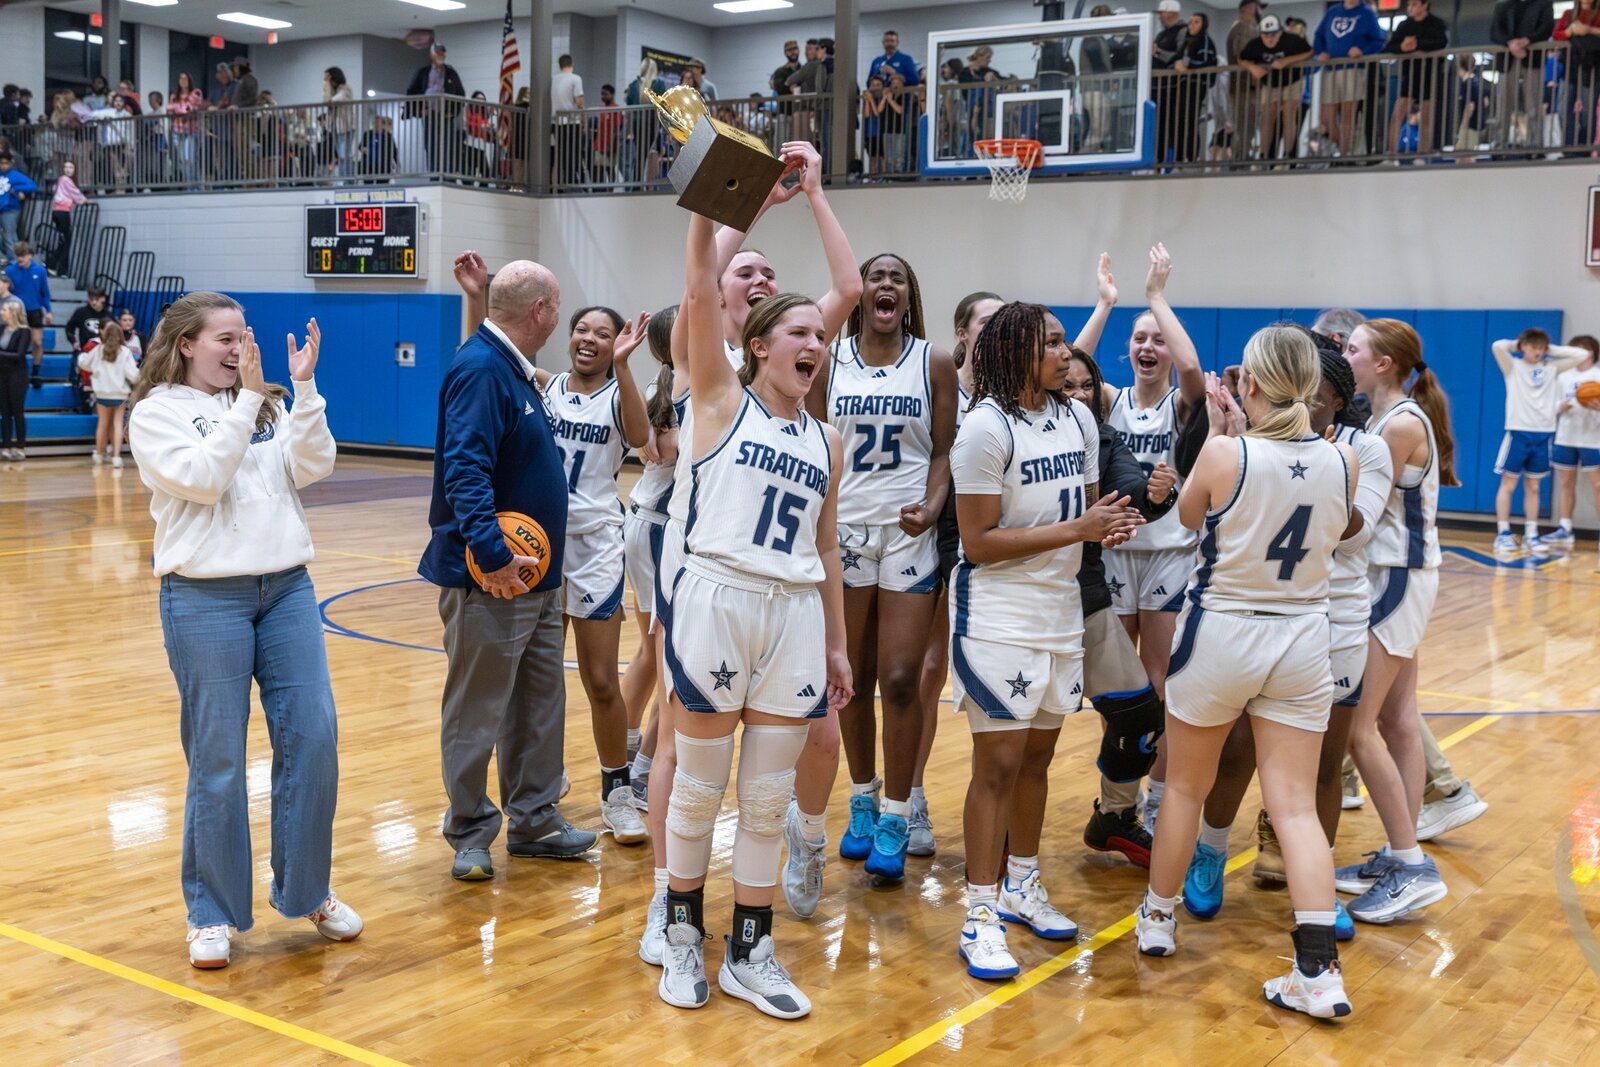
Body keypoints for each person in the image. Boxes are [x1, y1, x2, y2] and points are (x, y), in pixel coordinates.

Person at [640, 145, 859, 973]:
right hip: (705, 577)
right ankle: (672, 908)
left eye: (818, 335)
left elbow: (827, 544)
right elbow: (699, 281)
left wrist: (836, 642)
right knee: (685, 762)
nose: (815, 341)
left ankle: (753, 936)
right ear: (762, 340)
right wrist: (736, 198)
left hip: (788, 599)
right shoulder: (712, 379)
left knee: (773, 781)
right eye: (750, 272)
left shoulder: (819, 431)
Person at [127, 293, 358, 970]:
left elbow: (312, 466)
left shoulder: (264, 405)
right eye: (224, 338)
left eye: (244, 336)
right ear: (186, 344)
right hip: (205, 597)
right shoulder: (156, 413)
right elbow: (202, 479)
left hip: (286, 589)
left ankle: (308, 890)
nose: (239, 349)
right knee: (219, 759)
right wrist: (250, 401)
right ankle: (211, 911)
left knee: (314, 738)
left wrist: (303, 389)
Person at [1135, 328, 1358, 1022]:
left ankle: (1158, 918)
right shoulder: (1343, 458)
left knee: (1185, 787)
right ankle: (1318, 972)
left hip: (1224, 629)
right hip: (1303, 635)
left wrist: (1221, 437)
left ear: (1250, 385)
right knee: (1294, 807)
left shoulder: (1224, 452)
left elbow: (1187, 516)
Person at [951, 301, 1142, 981]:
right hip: (999, 613)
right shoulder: (984, 428)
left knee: (1037, 760)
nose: (1067, 354)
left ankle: (1022, 885)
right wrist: (1079, 530)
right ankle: (979, 911)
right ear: (1016, 353)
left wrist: (1108, 524)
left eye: (1065, 342)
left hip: (1061, 608)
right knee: (997, 765)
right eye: (1053, 343)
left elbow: (1084, 512)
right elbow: (978, 542)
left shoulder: (1079, 419)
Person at [1177, 331, 1386, 943]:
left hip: (1333, 616)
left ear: (1335, 400)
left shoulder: (1361, 452)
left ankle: (1315, 891)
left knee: (1323, 765)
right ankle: (1211, 850)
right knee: (1235, 749)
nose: (1305, 403)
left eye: (1317, 396)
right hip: (1263, 615)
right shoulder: (1252, 448)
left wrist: (1314, 473)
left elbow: (1357, 534)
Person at [421, 257, 596, 882]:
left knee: (538, 704)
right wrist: (493, 557)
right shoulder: (481, 369)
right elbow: (464, 468)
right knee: (477, 709)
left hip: (538, 578)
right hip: (492, 578)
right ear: (541, 311)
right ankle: (470, 831)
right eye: (557, 308)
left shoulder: (509, 366)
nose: (557, 318)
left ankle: (535, 819)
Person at [827, 254, 957, 883]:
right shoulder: (831, 360)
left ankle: (898, 815)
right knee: (851, 677)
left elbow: (944, 450)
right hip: (844, 532)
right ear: (860, 294)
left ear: (909, 296)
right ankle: (862, 799)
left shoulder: (933, 362)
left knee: (903, 679)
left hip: (908, 535)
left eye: (896, 278)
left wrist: (932, 506)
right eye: (875, 276)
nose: (885, 284)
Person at [1336, 319, 1456, 924]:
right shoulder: (1387, 418)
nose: (1345, 354)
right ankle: (1398, 850)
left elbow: (1358, 509)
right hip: (1401, 574)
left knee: (1359, 729)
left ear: (1382, 363)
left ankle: (1411, 864)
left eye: (1352, 348)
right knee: (1399, 722)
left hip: (1395, 576)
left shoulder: (1400, 425)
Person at [1059, 277, 1174, 870]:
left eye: (1088, 386)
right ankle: (1002, 854)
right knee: (1024, 732)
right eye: (1067, 385)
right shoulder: (1006, 430)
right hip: (1019, 600)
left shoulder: (1101, 438)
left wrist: (1151, 496)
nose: (1079, 394)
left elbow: (1132, 485)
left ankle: (1115, 815)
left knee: (1141, 712)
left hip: (1086, 593)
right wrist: (1105, 304)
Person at [1104, 245, 1204, 834]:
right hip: (1116, 552)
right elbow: (1073, 365)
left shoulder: (1180, 404)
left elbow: (1192, 369)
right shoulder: (1110, 401)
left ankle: (1161, 794)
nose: (1148, 347)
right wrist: (1105, 305)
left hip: (1168, 554)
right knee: (1120, 686)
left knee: (1160, 678)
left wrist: (1156, 298)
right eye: (1140, 338)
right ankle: (1119, 793)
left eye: (1158, 340)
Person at [545, 304, 652, 845]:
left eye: (603, 334)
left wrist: (626, 366)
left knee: (601, 679)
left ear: (616, 344)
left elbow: (640, 434)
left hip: (596, 546)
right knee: (539, 679)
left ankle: (617, 793)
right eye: (582, 329)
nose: (589, 339)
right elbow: (488, 351)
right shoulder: (546, 386)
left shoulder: (617, 395)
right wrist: (475, 297)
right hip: (541, 543)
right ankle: (543, 774)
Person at [914, 290, 1004, 851]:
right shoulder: (943, 385)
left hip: (985, 542)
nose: (997, 330)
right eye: (987, 321)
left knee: (983, 679)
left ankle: (994, 810)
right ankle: (910, 798)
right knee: (926, 671)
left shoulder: (1012, 394)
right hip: (933, 535)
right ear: (963, 332)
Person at [621, 305, 681, 820]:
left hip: (645, 520)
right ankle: (641, 767)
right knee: (669, 659)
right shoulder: (684, 394)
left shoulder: (658, 390)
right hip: (662, 528)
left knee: (650, 650)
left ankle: (621, 753)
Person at [1489, 329, 1589, 556]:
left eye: (1542, 348)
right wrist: (1520, 344)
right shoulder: (1512, 366)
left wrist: (1548, 348)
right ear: (1523, 346)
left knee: (1534, 487)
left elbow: (1581, 355)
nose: (1538, 352)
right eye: (1534, 347)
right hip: (1518, 432)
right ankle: (1503, 533)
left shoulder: (1551, 367)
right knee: (1508, 484)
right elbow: (1497, 345)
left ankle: (1531, 534)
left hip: (1543, 434)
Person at [1311, 0, 1386, 159]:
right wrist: (1321, 52)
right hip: (1331, 68)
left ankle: (1345, 155)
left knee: (1348, 115)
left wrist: (1362, 50)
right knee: (1327, 118)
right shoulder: (1333, 11)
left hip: (1354, 68)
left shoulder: (1366, 13)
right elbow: (1319, 35)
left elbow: (1378, 40)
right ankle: (1342, 150)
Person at [1240, 15, 1314, 162]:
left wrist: (1286, 61)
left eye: (1273, 35)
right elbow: (1241, 58)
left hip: (1293, 80)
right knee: (1268, 116)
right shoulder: (1255, 44)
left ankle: (1288, 154)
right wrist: (1252, 67)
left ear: (1280, 32)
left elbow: (1310, 52)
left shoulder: (1292, 40)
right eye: (1266, 35)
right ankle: (1263, 154)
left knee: (1288, 114)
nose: (1270, 39)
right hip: (1270, 82)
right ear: (1261, 34)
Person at [1549, 335, 1600, 544]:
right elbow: (1549, 407)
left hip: (1593, 439)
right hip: (1566, 437)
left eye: (1585, 349)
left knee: (1598, 486)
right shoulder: (1563, 377)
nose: (1581, 353)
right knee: (1566, 483)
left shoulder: (1598, 376)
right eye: (1576, 349)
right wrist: (1560, 406)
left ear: (1593, 353)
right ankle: (1565, 528)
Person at [1385, 0, 1450, 156]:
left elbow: (1441, 42)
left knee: (1426, 117)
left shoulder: (1436, 24)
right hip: (1410, 74)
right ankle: (1391, 154)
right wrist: (1402, 47)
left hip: (1430, 74)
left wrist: (1417, 45)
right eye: (1409, 5)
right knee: (1397, 115)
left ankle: (1422, 154)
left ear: (1424, 5)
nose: (1410, 8)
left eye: (1414, 4)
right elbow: (1391, 46)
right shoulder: (1404, 25)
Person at [1491, 0, 1556, 149]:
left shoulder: (1544, 4)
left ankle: (1535, 144)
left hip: (1533, 59)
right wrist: (1510, 44)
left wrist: (1528, 41)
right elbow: (1495, 31)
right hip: (1507, 60)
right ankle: (1500, 143)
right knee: (1503, 104)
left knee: (1533, 104)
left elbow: (1546, 28)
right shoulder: (1502, 5)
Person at [78, 318, 139, 466]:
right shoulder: (125, 352)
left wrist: (86, 360)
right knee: (118, 424)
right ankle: (116, 457)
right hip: (120, 394)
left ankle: (99, 454)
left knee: (102, 424)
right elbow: (133, 375)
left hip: (102, 394)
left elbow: (84, 364)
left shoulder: (98, 349)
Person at [406, 42, 465, 175]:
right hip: (429, 114)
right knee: (431, 145)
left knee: (447, 145)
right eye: (437, 53)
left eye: (442, 53)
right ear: (432, 54)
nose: (440, 55)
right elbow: (411, 91)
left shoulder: (451, 73)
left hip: (446, 115)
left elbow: (460, 94)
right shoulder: (423, 72)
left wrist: (452, 112)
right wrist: (418, 110)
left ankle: (447, 175)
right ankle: (434, 174)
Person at [1171, 13, 1220, 164]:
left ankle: (1191, 157)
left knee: (1190, 120)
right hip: (1184, 84)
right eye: (1190, 22)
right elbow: (1177, 59)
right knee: (1180, 120)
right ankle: (1179, 158)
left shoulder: (1205, 40)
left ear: (1203, 25)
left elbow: (1205, 62)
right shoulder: (1186, 41)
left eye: (1196, 22)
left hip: (1197, 84)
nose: (1192, 25)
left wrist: (1187, 67)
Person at [2, 239, 49, 387]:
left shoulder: (40, 271)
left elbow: (44, 293)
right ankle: (10, 371)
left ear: (30, 255)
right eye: (17, 255)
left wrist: (48, 310)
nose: (20, 259)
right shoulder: (10, 270)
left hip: (34, 310)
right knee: (12, 343)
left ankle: (35, 372)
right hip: (16, 311)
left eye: (22, 255)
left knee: (37, 342)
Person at [1555, 0, 1600, 146]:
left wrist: (1589, 30)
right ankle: (1568, 146)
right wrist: (1570, 31)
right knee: (1564, 108)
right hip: (1570, 66)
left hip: (1592, 67)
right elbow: (1556, 35)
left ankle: (1585, 146)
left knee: (1587, 110)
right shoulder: (1568, 14)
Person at [1227, 0, 1266, 161]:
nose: (1260, 12)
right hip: (1245, 87)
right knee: (1244, 127)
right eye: (1259, 7)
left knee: (1247, 127)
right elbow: (1244, 56)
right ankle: (1239, 160)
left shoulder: (1245, 27)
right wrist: (1254, 77)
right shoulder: (1243, 28)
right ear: (1250, 8)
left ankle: (1241, 158)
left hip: (1246, 86)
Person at [552, 54, 587, 186]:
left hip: (556, 122)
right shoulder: (575, 78)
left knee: (561, 154)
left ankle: (562, 182)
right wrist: (584, 121)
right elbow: (579, 102)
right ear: (572, 64)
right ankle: (572, 182)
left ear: (560, 65)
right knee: (574, 154)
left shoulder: (554, 79)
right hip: (572, 122)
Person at [0, 296, 28, 460]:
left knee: (17, 411)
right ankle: (6, 446)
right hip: (2, 374)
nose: (1, 312)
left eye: (4, 310)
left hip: (18, 375)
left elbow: (19, 354)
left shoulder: (24, 331)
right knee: (4, 411)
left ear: (12, 313)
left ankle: (20, 446)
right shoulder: (1, 328)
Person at [49, 159, 87, 276]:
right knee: (66, 242)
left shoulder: (60, 181)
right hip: (63, 212)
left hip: (57, 211)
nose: (68, 170)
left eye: (70, 167)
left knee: (63, 240)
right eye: (66, 167)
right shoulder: (65, 179)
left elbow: (55, 190)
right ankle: (59, 268)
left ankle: (53, 264)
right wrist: (83, 200)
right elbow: (74, 192)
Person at [169, 72, 205, 186]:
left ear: (189, 81)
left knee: (190, 158)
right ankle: (189, 184)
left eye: (185, 79)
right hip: (177, 131)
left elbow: (194, 108)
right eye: (181, 79)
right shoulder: (174, 96)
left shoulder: (195, 93)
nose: (183, 81)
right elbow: (170, 110)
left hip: (191, 131)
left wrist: (181, 111)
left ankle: (194, 186)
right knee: (183, 160)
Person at [0, 150, 36, 267]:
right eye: (1, 163)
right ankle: (11, 257)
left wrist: (17, 189)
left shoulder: (15, 175)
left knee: (9, 236)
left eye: (6, 163)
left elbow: (32, 185)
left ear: (11, 163)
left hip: (10, 209)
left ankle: (14, 261)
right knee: (7, 237)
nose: (3, 166)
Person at [323, 67, 356, 182]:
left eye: (327, 77)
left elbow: (333, 101)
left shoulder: (345, 89)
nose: (325, 80)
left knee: (343, 155)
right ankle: (347, 180)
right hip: (337, 128)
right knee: (342, 155)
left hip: (346, 128)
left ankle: (345, 181)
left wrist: (326, 87)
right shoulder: (333, 91)